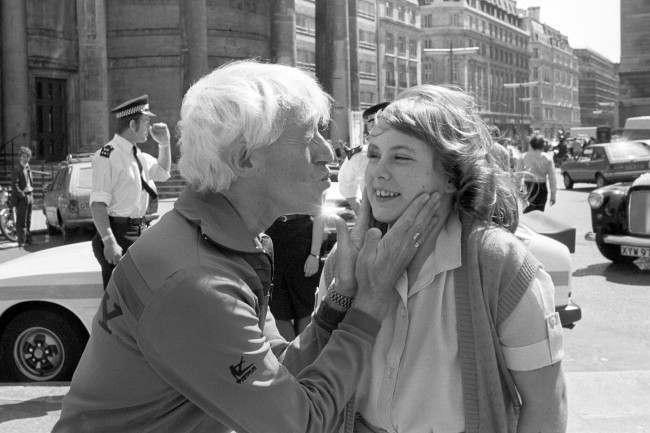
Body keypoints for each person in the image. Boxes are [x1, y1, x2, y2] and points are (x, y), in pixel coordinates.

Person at [53, 60, 439, 433]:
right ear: (244, 159)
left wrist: (340, 300)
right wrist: (371, 302)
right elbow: (300, 423)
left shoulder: (223, 244)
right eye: (309, 137)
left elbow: (277, 367)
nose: (328, 152)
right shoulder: (197, 281)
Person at [318, 85, 567, 433]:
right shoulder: (344, 261)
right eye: (373, 154)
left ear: (451, 176)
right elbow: (313, 378)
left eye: (400, 157)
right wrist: (343, 293)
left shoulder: (498, 265)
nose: (378, 171)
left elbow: (546, 404)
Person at [90, 94, 172, 288]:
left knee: (141, 296)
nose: (149, 127)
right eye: (146, 121)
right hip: (118, 232)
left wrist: (165, 144)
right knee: (120, 301)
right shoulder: (107, 155)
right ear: (133, 125)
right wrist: (109, 241)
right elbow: (98, 204)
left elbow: (162, 172)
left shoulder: (139, 156)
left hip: (139, 231)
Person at [266, 212, 325, 339]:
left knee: (304, 307)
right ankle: (288, 355)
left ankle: (305, 353)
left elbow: (319, 216)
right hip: (272, 242)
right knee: (277, 308)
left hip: (302, 246)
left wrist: (314, 255)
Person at [339, 102, 389, 214]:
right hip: (374, 215)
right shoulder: (359, 156)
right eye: (371, 122)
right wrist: (361, 213)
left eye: (381, 118)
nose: (376, 124)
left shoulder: (412, 150)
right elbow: (346, 185)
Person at [522, 134, 558, 213]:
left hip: (527, 187)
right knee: (539, 213)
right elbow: (552, 178)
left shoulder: (524, 157)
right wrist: (553, 195)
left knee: (527, 213)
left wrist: (518, 191)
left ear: (531, 144)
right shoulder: (548, 158)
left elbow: (518, 175)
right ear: (543, 145)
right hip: (541, 188)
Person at [11, 146, 34, 247]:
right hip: (22, 198)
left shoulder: (28, 168)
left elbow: (30, 182)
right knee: (22, 220)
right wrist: (22, 195)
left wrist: (31, 194)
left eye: (28, 157)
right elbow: (14, 185)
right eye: (24, 156)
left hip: (30, 195)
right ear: (20, 157)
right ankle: (22, 241)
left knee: (28, 219)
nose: (26, 159)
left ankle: (28, 239)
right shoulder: (17, 169)